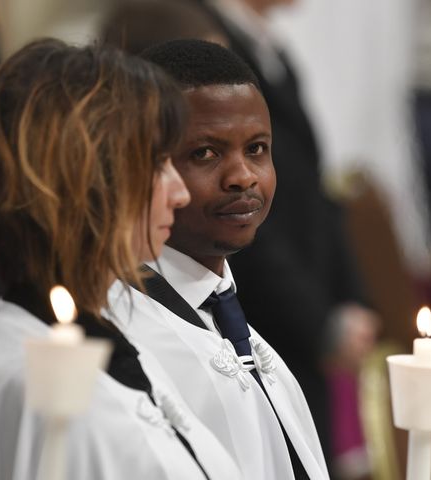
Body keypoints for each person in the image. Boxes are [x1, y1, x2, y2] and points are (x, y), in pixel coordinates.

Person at [0, 38, 242, 480]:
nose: (179, 193)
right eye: (157, 164)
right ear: (87, 180)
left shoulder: (104, 335)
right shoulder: (35, 384)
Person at [107, 39, 328, 479]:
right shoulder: (128, 338)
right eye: (204, 153)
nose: (243, 176)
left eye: (257, 149)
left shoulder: (234, 324)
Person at [190, 1, 379, 467]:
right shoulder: (201, 43)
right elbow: (242, 217)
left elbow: (313, 191)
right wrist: (318, 323)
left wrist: (351, 298)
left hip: (303, 320)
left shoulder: (271, 50)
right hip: (261, 317)